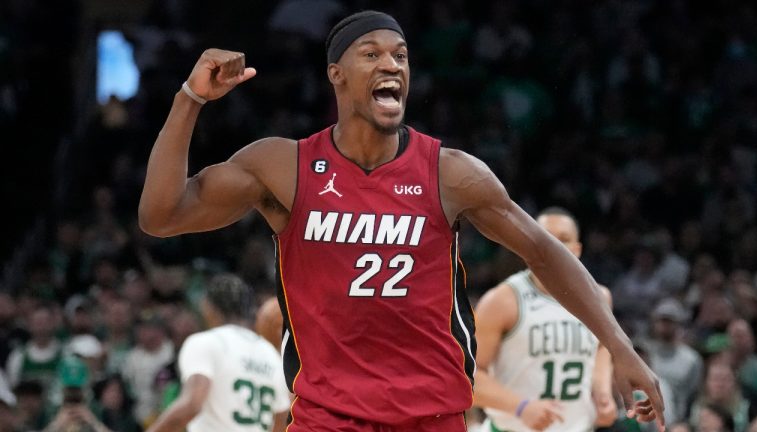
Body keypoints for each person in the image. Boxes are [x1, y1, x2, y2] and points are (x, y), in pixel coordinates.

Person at [138, 10, 665, 430]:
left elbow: (543, 252)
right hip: (328, 419)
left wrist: (620, 347)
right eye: (372, 54)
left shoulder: (452, 174)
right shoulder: (283, 166)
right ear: (337, 76)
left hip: (430, 417)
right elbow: (161, 216)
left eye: (402, 56)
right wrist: (191, 100)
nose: (392, 65)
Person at [473, 207, 618, 432]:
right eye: (545, 238)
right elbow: (467, 379)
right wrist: (521, 407)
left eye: (564, 240)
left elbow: (601, 347)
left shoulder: (600, 298)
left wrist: (602, 391)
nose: (555, 247)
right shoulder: (502, 301)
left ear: (577, 249)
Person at [146, 274, 290, 432]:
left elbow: (192, 404)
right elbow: (281, 420)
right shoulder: (270, 354)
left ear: (208, 307)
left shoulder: (204, 342)